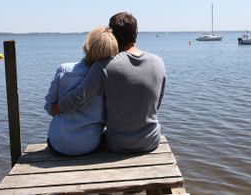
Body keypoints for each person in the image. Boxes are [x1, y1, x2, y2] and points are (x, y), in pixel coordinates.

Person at [53, 12, 166, 153]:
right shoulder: (158, 63)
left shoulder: (104, 65)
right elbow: (156, 105)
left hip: (117, 144)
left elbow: (79, 97)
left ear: (111, 35)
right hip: (151, 141)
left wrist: (57, 108)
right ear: (136, 33)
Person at [44, 26, 118, 155]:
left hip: (58, 144)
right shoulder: (110, 76)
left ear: (87, 46)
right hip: (90, 145)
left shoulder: (64, 70)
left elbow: (49, 107)